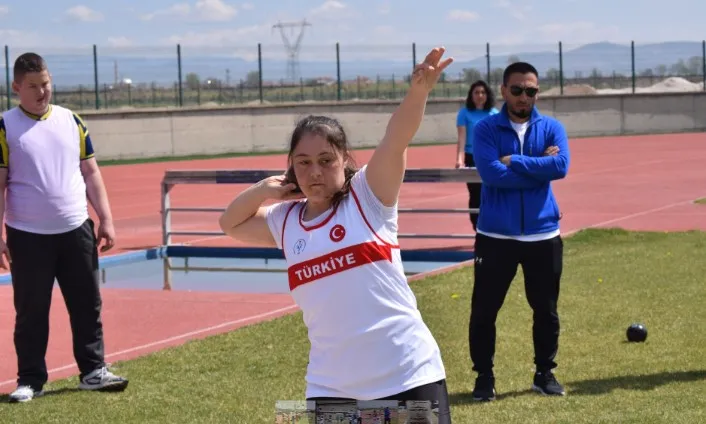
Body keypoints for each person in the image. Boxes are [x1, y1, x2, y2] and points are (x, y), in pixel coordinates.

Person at [218, 47, 454, 423]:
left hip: (407, 374)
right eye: (303, 162)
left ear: (344, 159)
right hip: (332, 390)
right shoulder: (286, 219)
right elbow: (229, 223)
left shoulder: (368, 197)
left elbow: (397, 137)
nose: (314, 172)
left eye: (326, 160)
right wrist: (264, 188)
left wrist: (419, 92)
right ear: (291, 167)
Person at [1, 52, 128, 403]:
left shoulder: (72, 120)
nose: (42, 92)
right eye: (33, 86)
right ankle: (30, 380)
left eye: (46, 84)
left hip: (76, 230)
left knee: (88, 303)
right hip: (28, 235)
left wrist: (106, 218)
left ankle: (93, 371)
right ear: (16, 88)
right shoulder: (5, 126)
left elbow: (91, 172)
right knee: (31, 310)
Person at [468, 62, 570, 401]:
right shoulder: (484, 129)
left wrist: (517, 161)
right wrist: (540, 166)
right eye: (517, 90)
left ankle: (545, 373)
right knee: (485, 310)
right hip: (496, 237)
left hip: (543, 236)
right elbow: (492, 174)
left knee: (546, 309)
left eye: (531, 91)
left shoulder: (553, 127)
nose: (524, 96)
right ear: (503, 91)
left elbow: (561, 166)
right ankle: (484, 377)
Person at [454, 80, 498, 231]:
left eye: (483, 92)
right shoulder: (464, 113)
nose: (480, 95)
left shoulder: (494, 113)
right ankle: (477, 227)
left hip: (490, 158)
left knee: (491, 192)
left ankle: (491, 227)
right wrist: (459, 160)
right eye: (476, 92)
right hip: (472, 157)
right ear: (471, 95)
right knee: (475, 194)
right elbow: (461, 139)